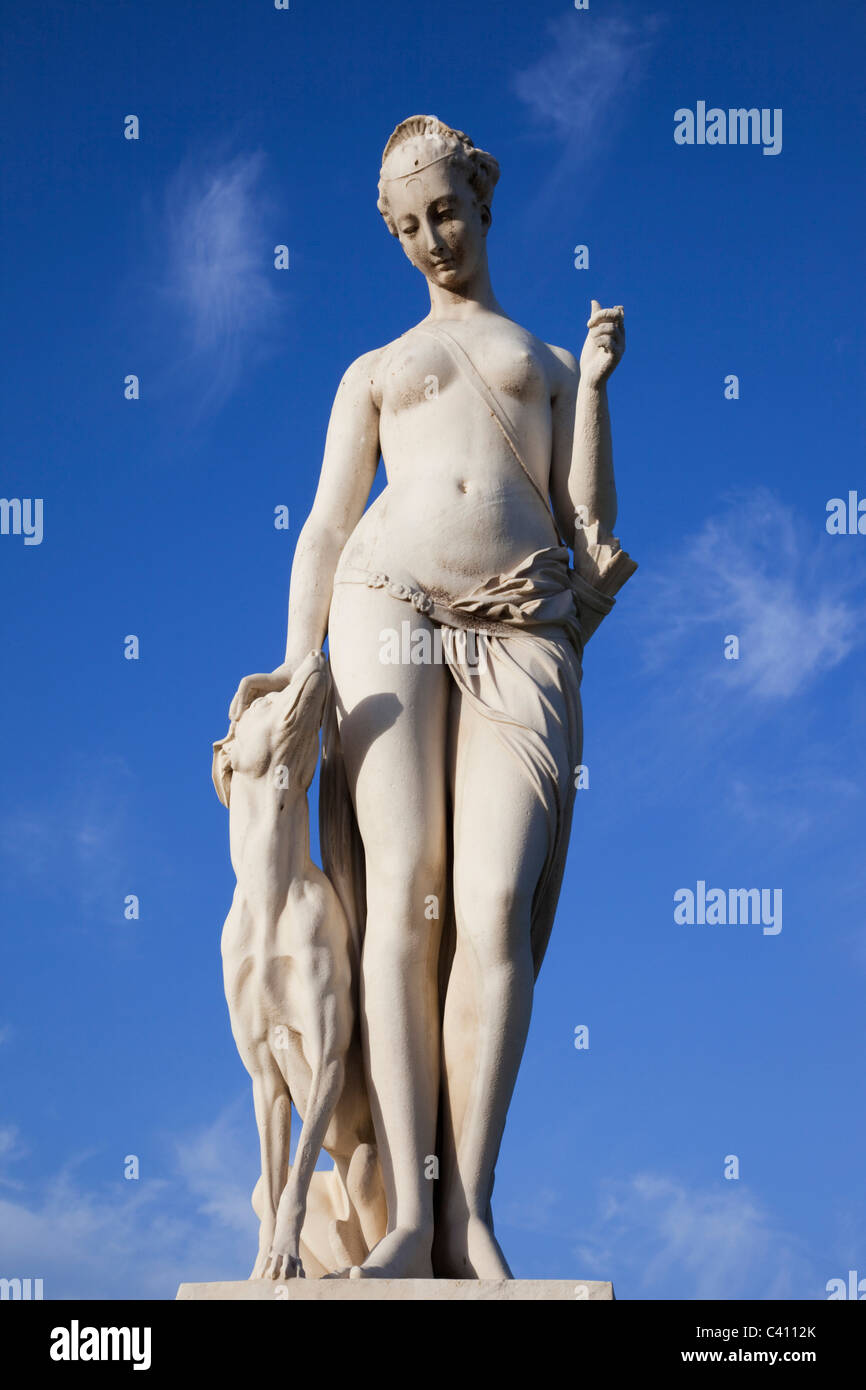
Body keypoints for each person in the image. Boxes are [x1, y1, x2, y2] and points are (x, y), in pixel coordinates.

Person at [229, 115, 632, 1278]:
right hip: (385, 598)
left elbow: (585, 522)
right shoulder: (372, 369)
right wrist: (301, 652)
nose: (429, 240)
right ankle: (407, 1210)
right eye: (406, 226)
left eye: (443, 212)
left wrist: (596, 387)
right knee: (401, 889)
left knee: (493, 900)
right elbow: (322, 522)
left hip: (520, 621)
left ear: (482, 197)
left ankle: (470, 1206)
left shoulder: (550, 364)